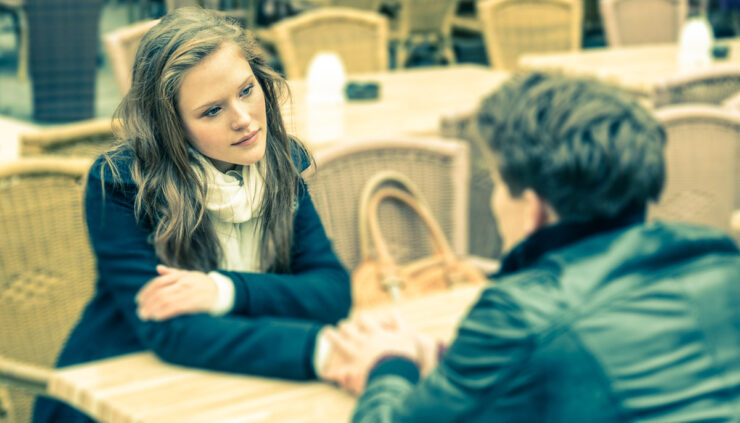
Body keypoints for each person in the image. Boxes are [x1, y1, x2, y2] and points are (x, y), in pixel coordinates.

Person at [323, 72, 740, 422]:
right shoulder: (718, 259)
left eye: (501, 186)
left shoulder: (517, 314)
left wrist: (389, 364)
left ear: (534, 209)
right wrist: (446, 357)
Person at [33, 8, 350, 423]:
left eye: (246, 90)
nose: (243, 119)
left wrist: (222, 291)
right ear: (173, 127)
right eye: (212, 111)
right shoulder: (122, 184)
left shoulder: (281, 161)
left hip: (233, 388)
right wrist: (318, 351)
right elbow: (169, 331)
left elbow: (331, 291)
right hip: (117, 396)